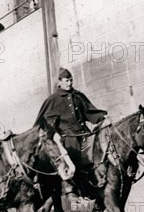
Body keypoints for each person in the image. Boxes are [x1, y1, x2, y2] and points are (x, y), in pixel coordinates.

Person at [34, 68, 110, 198]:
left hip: (85, 134)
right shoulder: (52, 100)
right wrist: (53, 133)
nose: (69, 83)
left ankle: (94, 184)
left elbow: (89, 112)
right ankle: (70, 188)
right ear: (59, 82)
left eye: (71, 80)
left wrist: (102, 118)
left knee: (100, 150)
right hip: (67, 138)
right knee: (72, 153)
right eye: (66, 80)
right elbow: (44, 122)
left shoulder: (78, 96)